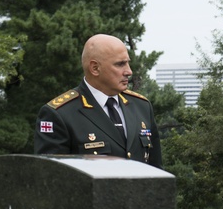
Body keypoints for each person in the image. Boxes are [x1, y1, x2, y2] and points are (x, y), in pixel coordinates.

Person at [34, 34, 162, 168]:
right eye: (120, 64)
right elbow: (52, 178)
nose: (129, 71)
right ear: (95, 68)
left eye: (128, 63)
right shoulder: (60, 114)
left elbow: (157, 170)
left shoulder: (141, 106)